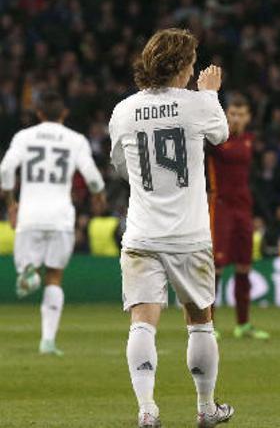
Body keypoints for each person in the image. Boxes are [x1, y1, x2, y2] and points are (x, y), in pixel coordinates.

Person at [109, 28, 233, 428]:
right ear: (182, 67)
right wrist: (210, 91)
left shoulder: (124, 111)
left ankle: (146, 410)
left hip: (142, 232)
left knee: (143, 321)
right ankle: (205, 408)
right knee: (200, 320)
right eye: (192, 64)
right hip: (188, 235)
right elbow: (222, 133)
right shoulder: (198, 104)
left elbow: (121, 167)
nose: (195, 70)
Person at [0, 92, 106, 355]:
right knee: (55, 275)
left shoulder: (24, 137)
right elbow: (92, 177)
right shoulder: (75, 140)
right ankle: (47, 341)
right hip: (60, 216)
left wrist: (11, 204)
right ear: (64, 114)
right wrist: (99, 194)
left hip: (30, 215)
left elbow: (5, 170)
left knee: (30, 268)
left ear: (38, 114)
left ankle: (27, 271)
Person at [207, 95, 268, 339]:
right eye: (232, 113)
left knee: (244, 266)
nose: (236, 119)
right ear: (225, 114)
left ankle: (243, 324)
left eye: (241, 114)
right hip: (220, 207)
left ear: (248, 117)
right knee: (216, 267)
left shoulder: (251, 141)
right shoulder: (214, 140)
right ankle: (207, 324)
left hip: (244, 209)